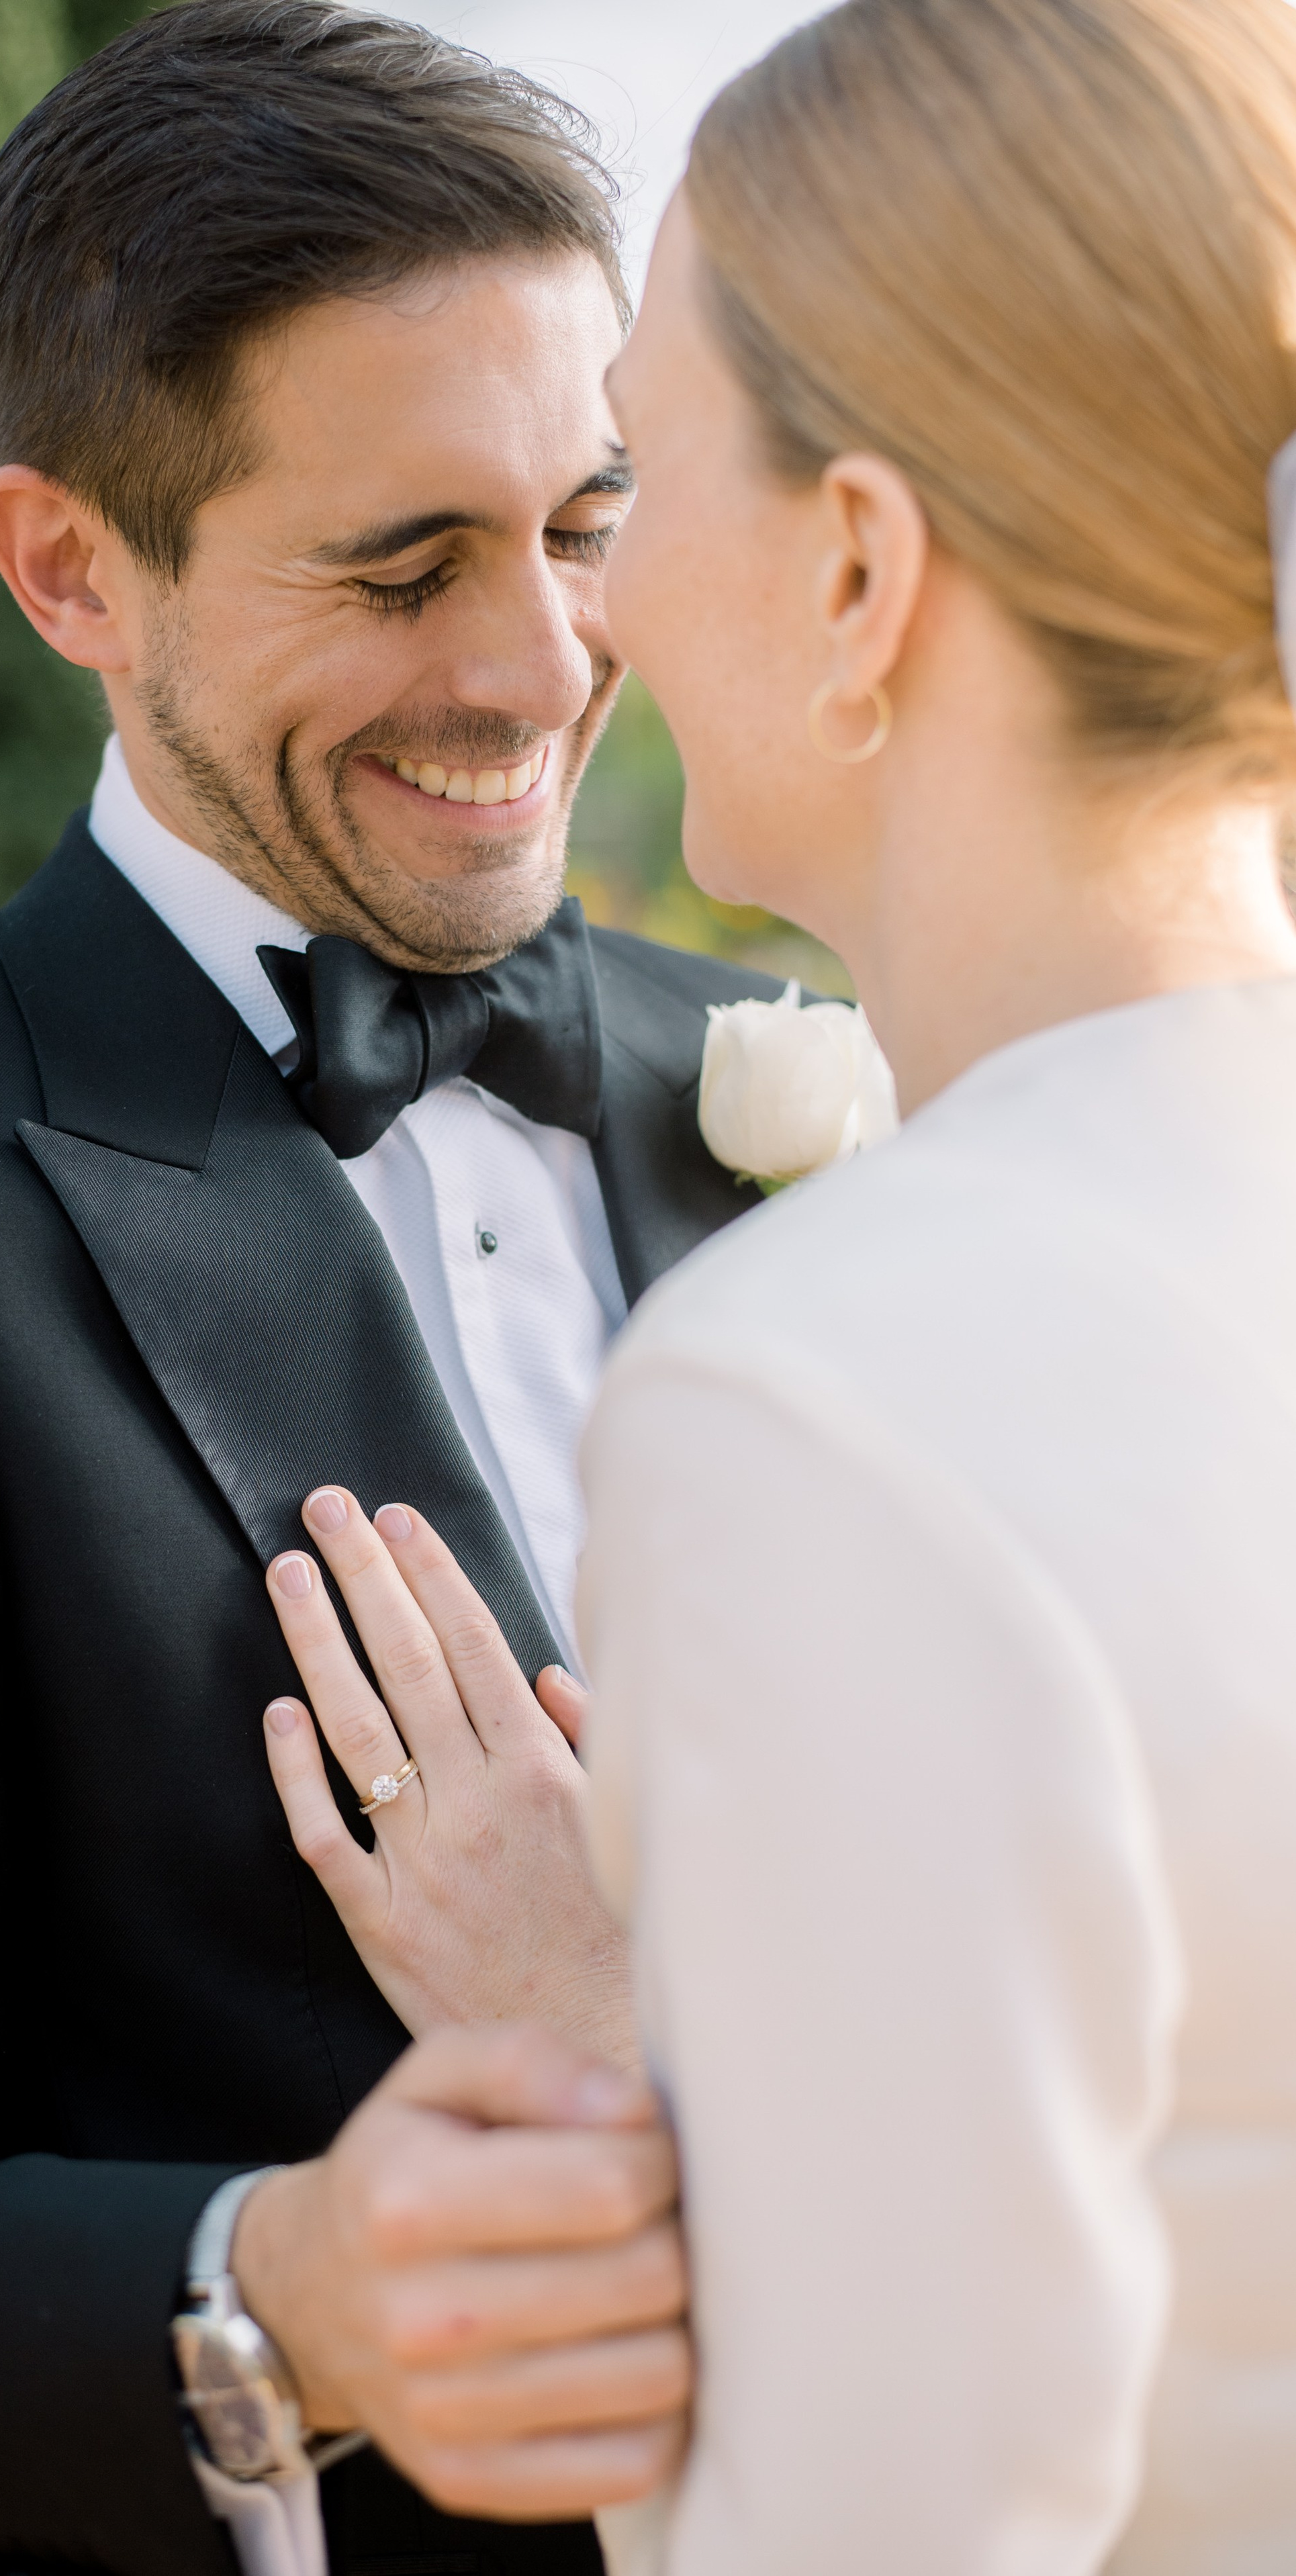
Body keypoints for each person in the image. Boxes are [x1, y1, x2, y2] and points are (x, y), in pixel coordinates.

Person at [0, 5, 768, 2571]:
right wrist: (281, 2300)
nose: (547, 667)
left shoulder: (807, 1084)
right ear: (65, 566)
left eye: (582, 520)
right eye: (400, 564)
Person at [256, 0, 1296, 2568]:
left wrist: (609, 2038)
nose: (576, 611)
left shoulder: (823, 1398)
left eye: (629, 472)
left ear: (856, 569)